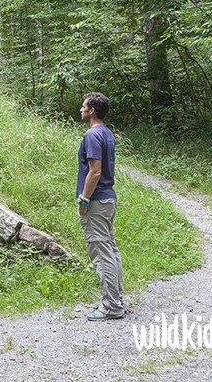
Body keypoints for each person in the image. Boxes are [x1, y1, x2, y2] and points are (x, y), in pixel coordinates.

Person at [77, 92, 125, 321]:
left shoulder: (92, 135)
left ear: (92, 110)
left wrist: (84, 199)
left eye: (84, 106)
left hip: (97, 200)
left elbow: (94, 171)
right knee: (111, 251)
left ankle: (111, 307)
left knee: (102, 252)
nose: (81, 109)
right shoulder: (107, 133)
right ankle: (115, 300)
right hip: (108, 199)